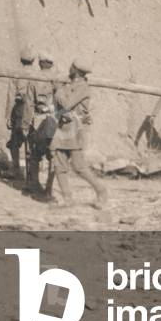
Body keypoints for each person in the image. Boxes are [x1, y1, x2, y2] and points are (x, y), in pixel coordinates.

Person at [51, 59, 108, 209]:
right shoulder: (71, 85)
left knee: (79, 166)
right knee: (59, 164)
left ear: (75, 70)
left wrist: (58, 90)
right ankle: (67, 198)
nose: (68, 68)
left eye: (71, 66)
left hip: (75, 129)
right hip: (63, 127)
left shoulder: (83, 88)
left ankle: (101, 191)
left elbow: (67, 103)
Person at [27, 51, 58, 197]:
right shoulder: (57, 79)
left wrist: (25, 124)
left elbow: (29, 104)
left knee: (35, 154)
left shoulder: (33, 79)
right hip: (53, 120)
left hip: (38, 119)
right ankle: (49, 188)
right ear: (51, 64)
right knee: (53, 155)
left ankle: (34, 184)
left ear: (40, 64)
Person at [5, 45, 36, 181]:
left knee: (14, 142)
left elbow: (11, 96)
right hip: (33, 110)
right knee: (30, 141)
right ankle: (31, 173)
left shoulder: (16, 74)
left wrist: (7, 115)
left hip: (19, 108)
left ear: (21, 60)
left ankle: (16, 169)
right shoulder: (37, 75)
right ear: (33, 60)